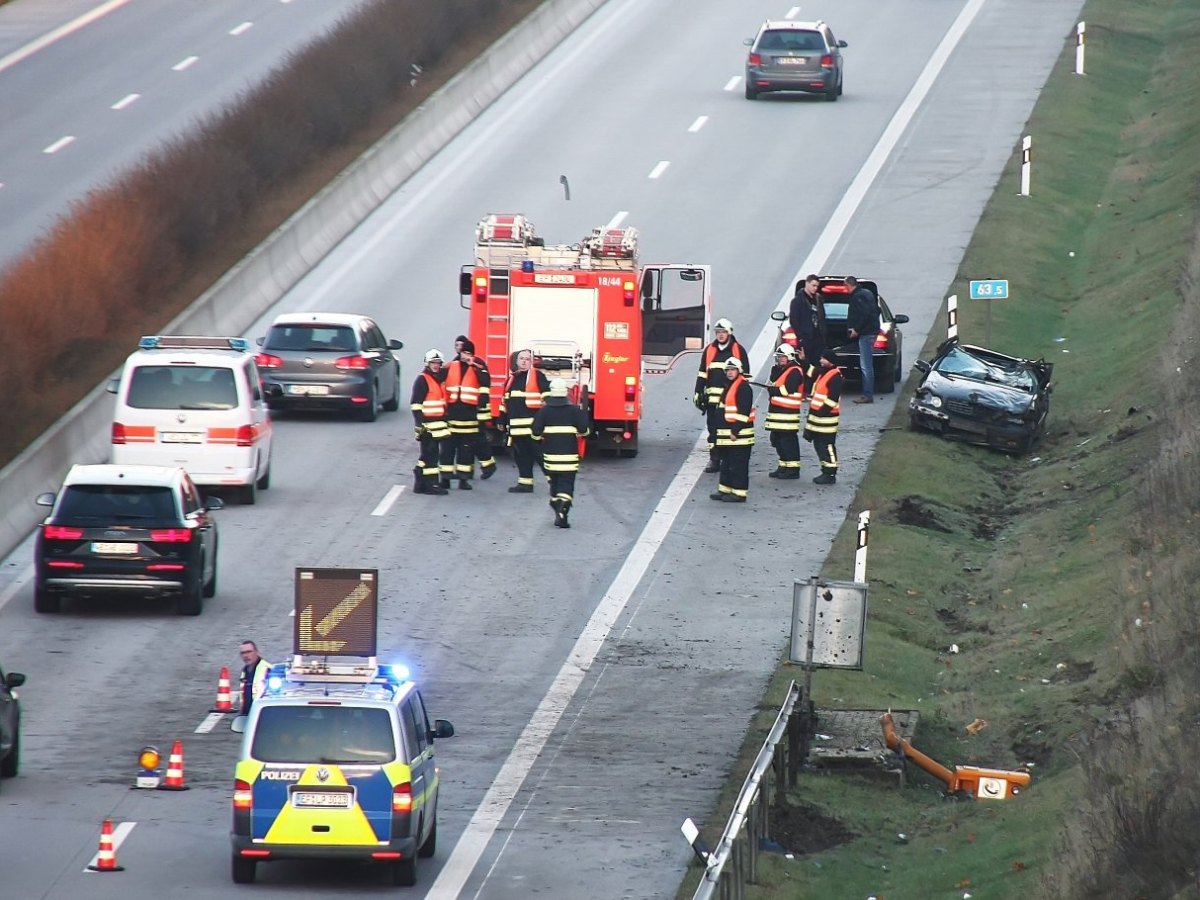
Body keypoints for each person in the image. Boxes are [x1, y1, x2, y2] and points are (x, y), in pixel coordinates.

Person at [693, 318, 750, 474]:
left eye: (723, 332)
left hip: (731, 402)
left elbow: (744, 377)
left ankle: (727, 458)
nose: (720, 335)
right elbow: (702, 373)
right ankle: (715, 459)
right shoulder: (709, 350)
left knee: (728, 430)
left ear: (729, 333)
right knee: (714, 431)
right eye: (718, 332)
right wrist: (698, 392)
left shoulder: (738, 350)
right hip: (713, 402)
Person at [531, 379, 590, 528]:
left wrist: (539, 439)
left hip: (550, 457)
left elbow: (535, 433)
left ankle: (556, 504)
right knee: (567, 483)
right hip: (570, 456)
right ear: (565, 392)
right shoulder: (575, 411)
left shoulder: (544, 411)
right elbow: (584, 430)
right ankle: (563, 506)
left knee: (555, 483)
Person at [499, 348, 549, 493]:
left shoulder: (537, 376)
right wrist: (501, 420)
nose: (525, 361)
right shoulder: (511, 379)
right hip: (516, 428)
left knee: (541, 457)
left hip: (533, 427)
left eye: (528, 359)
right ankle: (525, 483)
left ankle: (554, 483)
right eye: (522, 359)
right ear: (517, 361)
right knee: (522, 457)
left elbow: (547, 396)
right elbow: (504, 402)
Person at [710, 357, 756, 502]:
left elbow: (743, 413)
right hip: (728, 436)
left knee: (738, 465)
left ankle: (739, 493)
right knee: (727, 464)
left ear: (739, 371)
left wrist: (735, 431)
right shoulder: (729, 386)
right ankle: (725, 489)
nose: (730, 373)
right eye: (728, 370)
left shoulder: (743, 388)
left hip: (739, 437)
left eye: (733, 370)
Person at [443, 338, 485, 489]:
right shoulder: (451, 366)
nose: (466, 355)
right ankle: (445, 479)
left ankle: (463, 479)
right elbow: (437, 378)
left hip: (469, 419)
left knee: (465, 452)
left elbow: (486, 381)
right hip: (452, 416)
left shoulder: (477, 368)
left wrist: (473, 365)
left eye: (469, 353)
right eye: (464, 352)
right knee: (447, 450)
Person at [455, 335, 497, 480]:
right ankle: (475, 469)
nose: (459, 349)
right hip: (465, 412)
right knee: (470, 441)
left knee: (477, 440)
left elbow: (485, 384)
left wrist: (481, 404)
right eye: (458, 346)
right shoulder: (455, 363)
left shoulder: (478, 364)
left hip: (479, 411)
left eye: (464, 348)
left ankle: (488, 466)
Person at [410, 349, 450, 495]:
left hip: (437, 425)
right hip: (427, 426)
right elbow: (416, 404)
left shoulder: (438, 379)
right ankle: (431, 485)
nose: (436, 365)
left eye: (438, 363)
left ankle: (420, 482)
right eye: (433, 363)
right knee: (431, 457)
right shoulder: (423, 380)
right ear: (427, 363)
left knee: (427, 456)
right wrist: (420, 424)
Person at [765, 344, 805, 479]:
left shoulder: (795, 371)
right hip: (777, 414)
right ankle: (783, 465)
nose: (780, 359)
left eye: (782, 357)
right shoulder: (780, 370)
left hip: (788, 414)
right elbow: (773, 381)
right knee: (776, 439)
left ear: (789, 357)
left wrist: (773, 390)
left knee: (788, 441)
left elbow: (787, 389)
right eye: (778, 357)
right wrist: (776, 369)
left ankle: (793, 469)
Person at [804, 356, 844, 484]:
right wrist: (803, 360)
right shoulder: (823, 372)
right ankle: (825, 470)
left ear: (830, 361)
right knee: (819, 445)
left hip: (827, 420)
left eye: (823, 359)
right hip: (819, 419)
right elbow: (810, 371)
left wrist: (820, 412)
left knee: (827, 446)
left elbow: (831, 400)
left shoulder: (835, 377)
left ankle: (830, 473)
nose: (820, 361)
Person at [844, 275, 880, 404]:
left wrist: (856, 329)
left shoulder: (858, 296)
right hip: (869, 332)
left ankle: (867, 395)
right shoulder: (866, 293)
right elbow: (876, 310)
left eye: (845, 286)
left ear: (849, 285)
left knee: (866, 366)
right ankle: (867, 393)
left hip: (866, 334)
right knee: (867, 365)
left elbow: (865, 314)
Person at [789, 274, 826, 387]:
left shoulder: (818, 299)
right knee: (805, 364)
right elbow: (794, 320)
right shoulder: (797, 301)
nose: (815, 288)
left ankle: (813, 388)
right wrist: (801, 337)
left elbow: (822, 317)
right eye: (813, 285)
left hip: (817, 339)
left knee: (816, 365)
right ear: (807, 284)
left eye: (817, 286)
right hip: (806, 339)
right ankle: (805, 389)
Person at [239, 640, 271, 714]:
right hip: (248, 715)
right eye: (243, 653)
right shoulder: (245, 671)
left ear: (256, 652)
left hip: (262, 715)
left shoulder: (267, 669)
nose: (246, 656)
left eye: (249, 652)